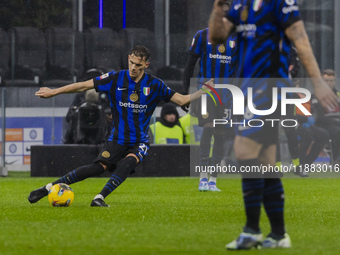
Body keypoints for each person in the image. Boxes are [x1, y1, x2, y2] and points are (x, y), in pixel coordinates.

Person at [209, 0, 338, 249]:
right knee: (265, 163)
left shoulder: (282, 3)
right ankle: (278, 235)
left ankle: (252, 230)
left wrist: (318, 82)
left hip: (271, 89)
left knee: (244, 150)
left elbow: (301, 41)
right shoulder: (240, 5)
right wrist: (217, 9)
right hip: (249, 90)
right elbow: (217, 36)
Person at [28, 45, 214, 207]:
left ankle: (99, 198)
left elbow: (181, 99)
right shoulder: (115, 78)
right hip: (117, 138)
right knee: (96, 168)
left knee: (128, 162)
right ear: (128, 59)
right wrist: (54, 92)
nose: (133, 67)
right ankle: (47, 188)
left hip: (139, 140)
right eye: (131, 62)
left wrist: (202, 91)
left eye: (138, 65)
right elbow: (83, 86)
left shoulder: (155, 84)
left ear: (146, 65)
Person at [183, 0, 236, 192]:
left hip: (227, 95)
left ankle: (213, 179)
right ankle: (202, 177)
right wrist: (184, 93)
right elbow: (190, 65)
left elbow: (239, 70)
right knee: (208, 128)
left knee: (221, 134)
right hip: (206, 91)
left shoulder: (235, 39)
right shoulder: (202, 35)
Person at [313, 69, 340, 162]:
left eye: (331, 80)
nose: (329, 83)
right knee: (337, 131)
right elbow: (319, 117)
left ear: (334, 81)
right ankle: (335, 159)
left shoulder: (338, 95)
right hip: (323, 124)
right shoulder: (317, 95)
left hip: (337, 123)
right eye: (326, 81)